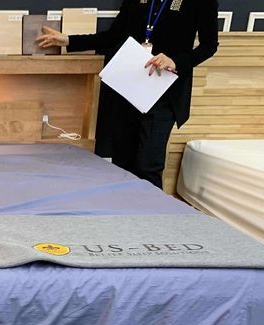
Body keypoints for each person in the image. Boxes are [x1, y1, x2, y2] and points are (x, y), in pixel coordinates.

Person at [37, 0, 219, 189]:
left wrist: (175, 62)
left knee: (148, 166)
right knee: (121, 163)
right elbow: (114, 36)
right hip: (128, 88)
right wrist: (69, 41)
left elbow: (209, 45)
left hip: (164, 94)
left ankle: (150, 208)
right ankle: (122, 207)